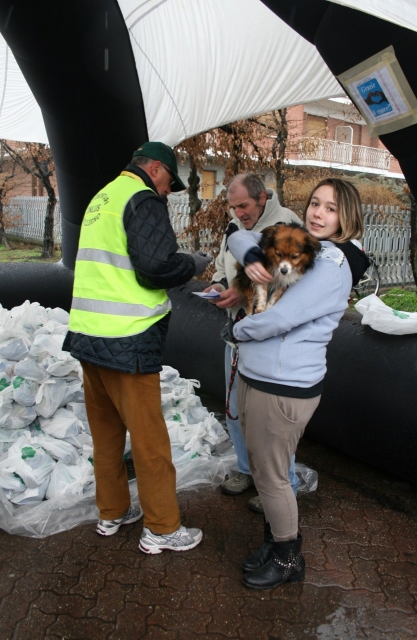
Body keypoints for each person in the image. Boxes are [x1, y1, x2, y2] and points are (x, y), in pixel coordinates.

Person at [62, 141, 211, 554]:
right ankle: (162, 528)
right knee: (149, 441)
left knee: (106, 434)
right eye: (169, 183)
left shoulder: (102, 197)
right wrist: (192, 265)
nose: (167, 192)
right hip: (128, 338)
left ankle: (111, 512)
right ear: (158, 170)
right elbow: (154, 269)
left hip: (88, 335)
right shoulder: (143, 199)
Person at [227, 178, 369, 589]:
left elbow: (280, 319)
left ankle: (289, 558)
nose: (317, 213)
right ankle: (274, 545)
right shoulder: (305, 244)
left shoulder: (333, 264)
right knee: (261, 467)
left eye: (330, 208)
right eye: (314, 203)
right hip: (258, 374)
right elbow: (240, 236)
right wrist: (252, 255)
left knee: (272, 477)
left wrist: (240, 329)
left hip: (285, 386)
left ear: (347, 217)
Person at [203, 173, 301, 512]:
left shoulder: (287, 224)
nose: (238, 213)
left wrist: (240, 293)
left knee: (270, 420)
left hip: (272, 339)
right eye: (233, 207)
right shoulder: (234, 227)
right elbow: (222, 267)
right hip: (238, 333)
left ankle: (284, 482)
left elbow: (287, 282)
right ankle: (247, 471)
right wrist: (218, 287)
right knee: (235, 410)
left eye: (243, 205)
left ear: (261, 198)